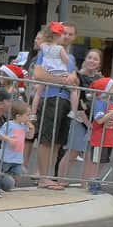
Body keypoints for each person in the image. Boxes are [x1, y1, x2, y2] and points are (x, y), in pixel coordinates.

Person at [31, 23, 79, 189]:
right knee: (46, 140)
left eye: (69, 34)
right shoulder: (45, 51)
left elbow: (74, 80)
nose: (66, 36)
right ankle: (43, 176)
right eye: (63, 33)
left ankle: (48, 176)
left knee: (58, 141)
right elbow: (38, 74)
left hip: (65, 100)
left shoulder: (70, 57)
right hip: (50, 97)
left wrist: (65, 80)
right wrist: (61, 80)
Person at [55, 49, 103, 187]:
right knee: (72, 152)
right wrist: (86, 122)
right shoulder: (77, 76)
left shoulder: (100, 79)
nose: (92, 61)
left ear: (99, 63)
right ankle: (61, 181)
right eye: (90, 57)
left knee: (90, 155)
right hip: (79, 119)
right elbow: (76, 100)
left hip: (95, 120)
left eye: (95, 59)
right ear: (85, 59)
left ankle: (85, 183)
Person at [0, 100, 31, 189]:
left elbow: (30, 136)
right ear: (18, 116)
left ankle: (11, 183)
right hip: (6, 156)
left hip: (17, 157)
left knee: (19, 172)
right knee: (1, 173)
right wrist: (9, 139)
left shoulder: (24, 126)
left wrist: (32, 128)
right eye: (27, 115)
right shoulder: (9, 124)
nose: (29, 118)